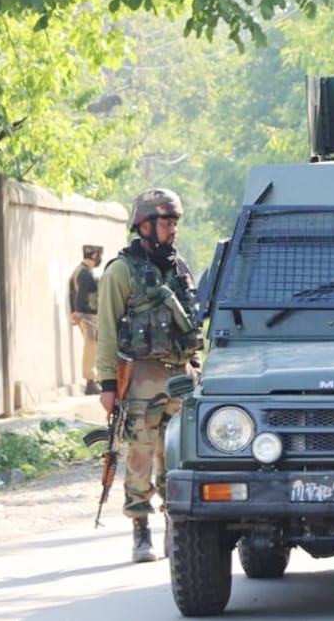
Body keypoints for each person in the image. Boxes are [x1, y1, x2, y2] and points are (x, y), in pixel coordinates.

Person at [96, 189, 201, 563]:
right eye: (166, 223)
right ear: (144, 225)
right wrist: (108, 385)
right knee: (140, 453)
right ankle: (141, 530)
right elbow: (106, 331)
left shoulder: (179, 266)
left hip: (181, 377)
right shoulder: (121, 271)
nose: (173, 230)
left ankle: (177, 525)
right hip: (140, 377)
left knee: (178, 457)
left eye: (175, 223)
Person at [69, 245, 103, 395]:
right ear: (94, 255)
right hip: (88, 315)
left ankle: (95, 379)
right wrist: (79, 311)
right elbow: (80, 294)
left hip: (86, 314)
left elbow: (72, 293)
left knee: (94, 347)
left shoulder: (80, 271)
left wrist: (75, 310)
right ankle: (90, 381)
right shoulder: (85, 273)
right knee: (91, 346)